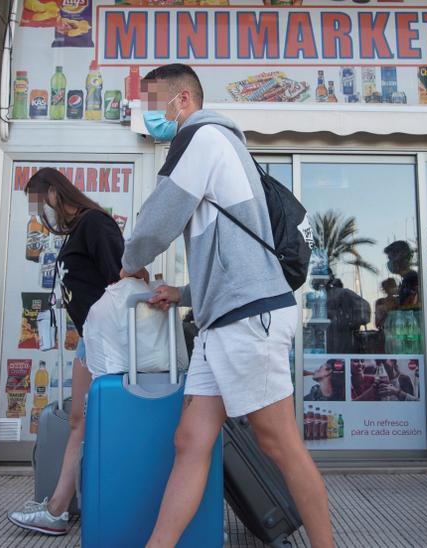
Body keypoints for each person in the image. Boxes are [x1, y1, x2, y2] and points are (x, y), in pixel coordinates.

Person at [118, 63, 334, 548]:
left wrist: (129, 262)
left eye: (153, 103)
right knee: (191, 442)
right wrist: (184, 294)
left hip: (248, 318)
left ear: (183, 101)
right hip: (226, 321)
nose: (148, 114)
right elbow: (235, 259)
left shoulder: (203, 139)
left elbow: (158, 220)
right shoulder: (218, 147)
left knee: (280, 444)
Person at [8, 168, 124, 536]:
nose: (42, 214)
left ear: (54, 194)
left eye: (41, 203)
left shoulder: (96, 225)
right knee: (79, 420)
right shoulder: (80, 229)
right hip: (91, 336)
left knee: (98, 422)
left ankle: (72, 507)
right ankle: (57, 509)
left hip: (107, 339)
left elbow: (120, 279)